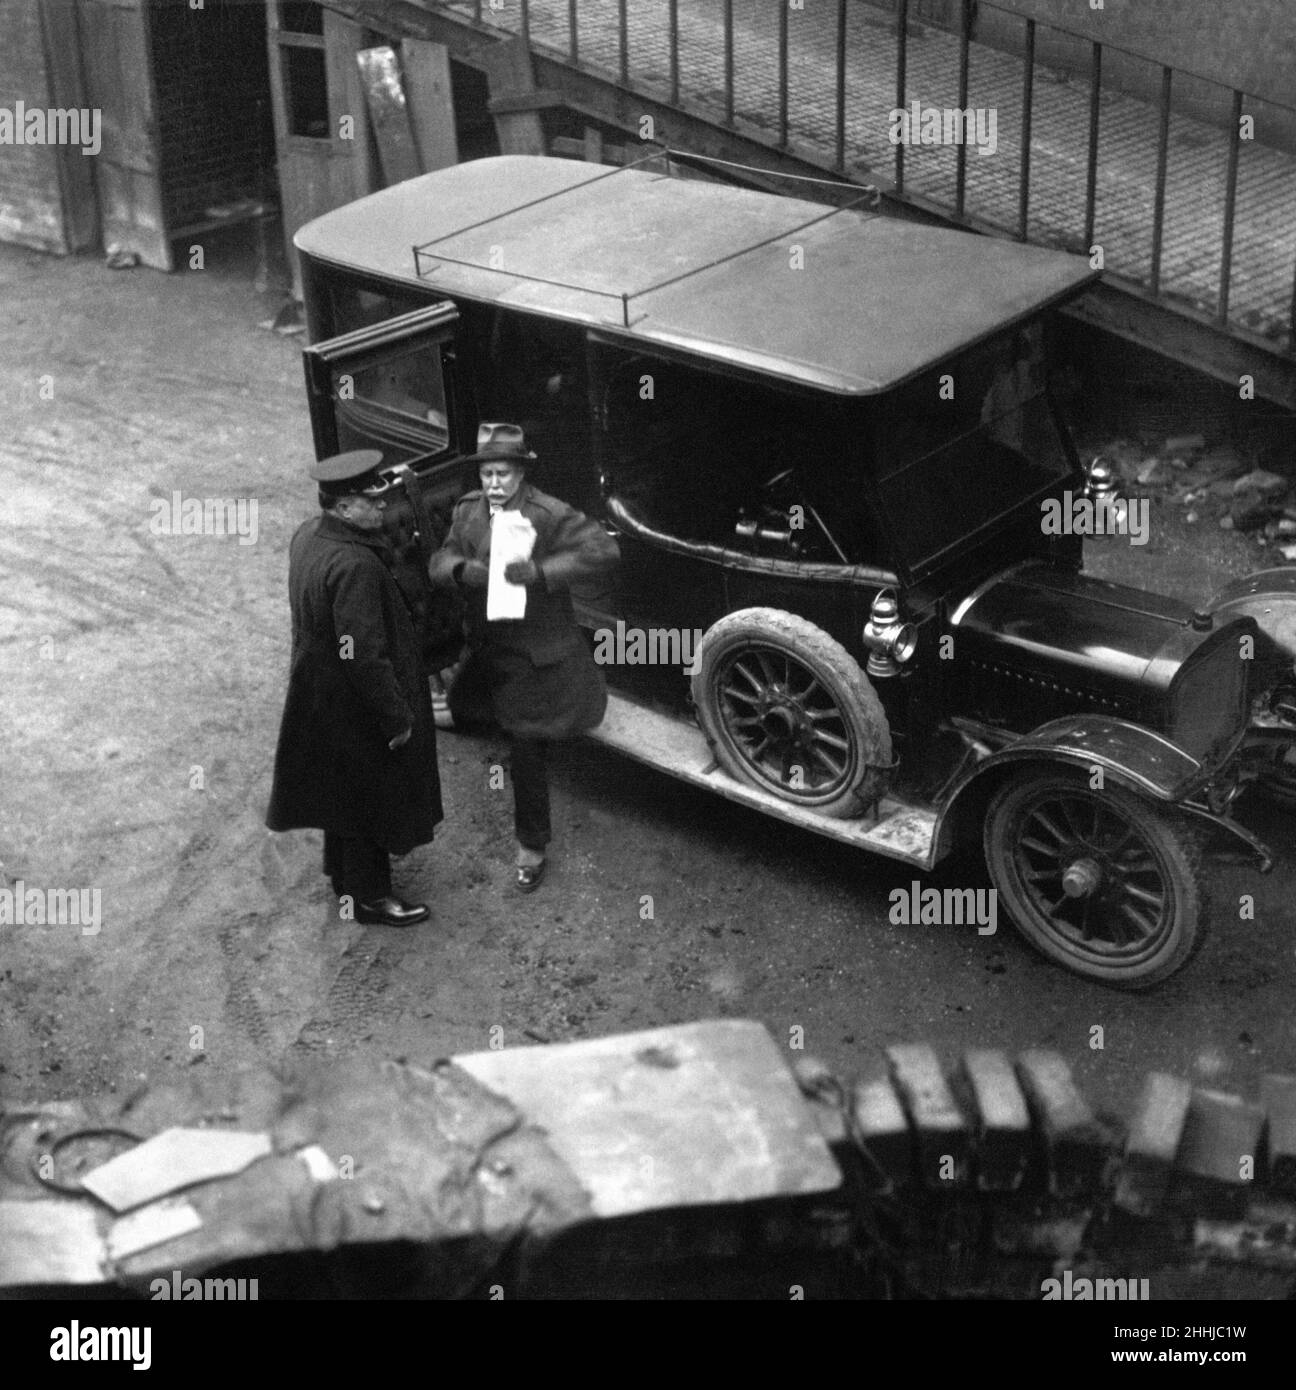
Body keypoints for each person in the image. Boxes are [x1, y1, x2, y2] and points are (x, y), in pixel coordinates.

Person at [430, 423, 619, 892]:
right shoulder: (468, 510)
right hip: (488, 643)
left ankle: (531, 848)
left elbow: (604, 549)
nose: (494, 484)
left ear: (520, 474)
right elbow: (440, 560)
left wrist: (541, 571)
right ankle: (459, 710)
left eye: (503, 474)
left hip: (535, 652)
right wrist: (461, 569)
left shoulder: (547, 513)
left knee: (526, 746)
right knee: (468, 704)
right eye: (487, 474)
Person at [266, 449, 442, 926]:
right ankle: (370, 897)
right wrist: (396, 718)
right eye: (371, 499)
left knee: (341, 791)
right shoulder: (356, 566)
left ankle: (343, 876)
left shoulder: (309, 535)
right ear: (344, 508)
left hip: (319, 691)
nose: (383, 505)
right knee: (371, 798)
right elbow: (362, 652)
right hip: (357, 701)